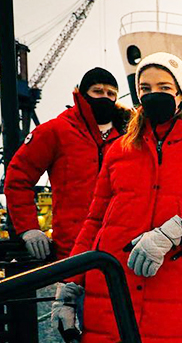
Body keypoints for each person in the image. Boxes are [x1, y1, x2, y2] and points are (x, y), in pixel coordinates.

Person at [54, 52, 182, 342]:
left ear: (181, 94)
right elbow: (94, 221)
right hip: (108, 292)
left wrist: (178, 230)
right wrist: (69, 287)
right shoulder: (119, 150)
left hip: (169, 298)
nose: (152, 95)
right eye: (145, 89)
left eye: (163, 88)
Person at [4, 67, 130, 260]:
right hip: (72, 251)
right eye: (97, 91)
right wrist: (28, 228)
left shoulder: (128, 137)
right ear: (82, 94)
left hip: (120, 250)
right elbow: (18, 177)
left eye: (111, 93)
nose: (105, 97)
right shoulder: (55, 131)